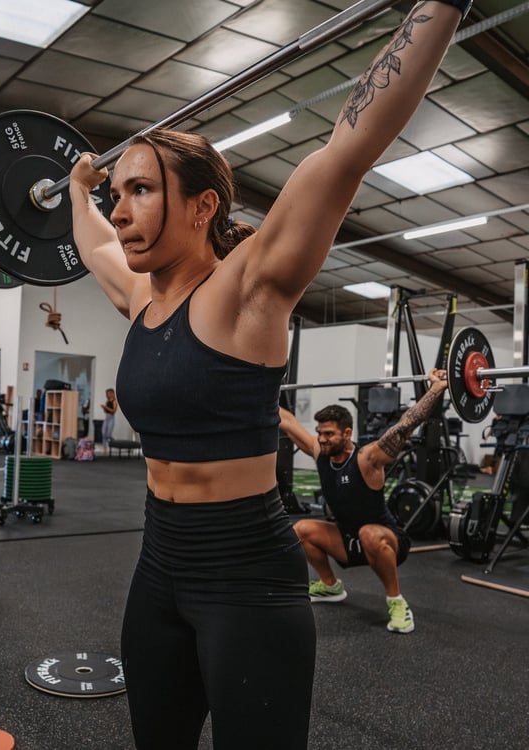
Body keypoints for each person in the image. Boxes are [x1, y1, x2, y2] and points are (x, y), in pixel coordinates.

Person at [67, 3, 466, 746]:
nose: (119, 211)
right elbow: (92, 244)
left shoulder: (249, 289)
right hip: (158, 567)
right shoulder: (139, 297)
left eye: (140, 190)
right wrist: (74, 186)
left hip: (246, 574)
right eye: (115, 195)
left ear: (202, 206)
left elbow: (348, 148)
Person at [278, 369, 449, 635]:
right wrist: (259, 382)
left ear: (346, 434)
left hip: (386, 538)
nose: (322, 439)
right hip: (348, 538)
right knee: (301, 530)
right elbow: (286, 421)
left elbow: (406, 425)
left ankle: (396, 601)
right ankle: (330, 585)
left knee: (369, 533)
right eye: (320, 433)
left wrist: (436, 388)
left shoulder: (367, 458)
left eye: (329, 434)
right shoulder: (319, 452)